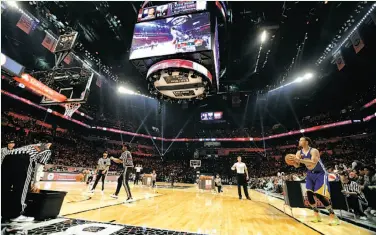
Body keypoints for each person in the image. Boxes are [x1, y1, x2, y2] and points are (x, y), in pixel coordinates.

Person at [1, 137, 52, 222]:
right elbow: (39, 167)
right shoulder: (47, 150)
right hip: (24, 159)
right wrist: (36, 182)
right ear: (49, 144)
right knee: (21, 187)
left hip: (7, 157)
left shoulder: (30, 145)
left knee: (4, 186)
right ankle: (16, 214)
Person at [292, 137, 340, 225]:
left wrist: (300, 160)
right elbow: (297, 165)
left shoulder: (314, 151)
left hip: (320, 173)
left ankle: (333, 216)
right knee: (309, 194)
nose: (299, 141)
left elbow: (313, 162)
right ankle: (317, 215)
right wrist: (293, 162)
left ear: (306, 142)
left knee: (319, 195)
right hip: (310, 174)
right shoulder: (299, 152)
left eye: (301, 140)